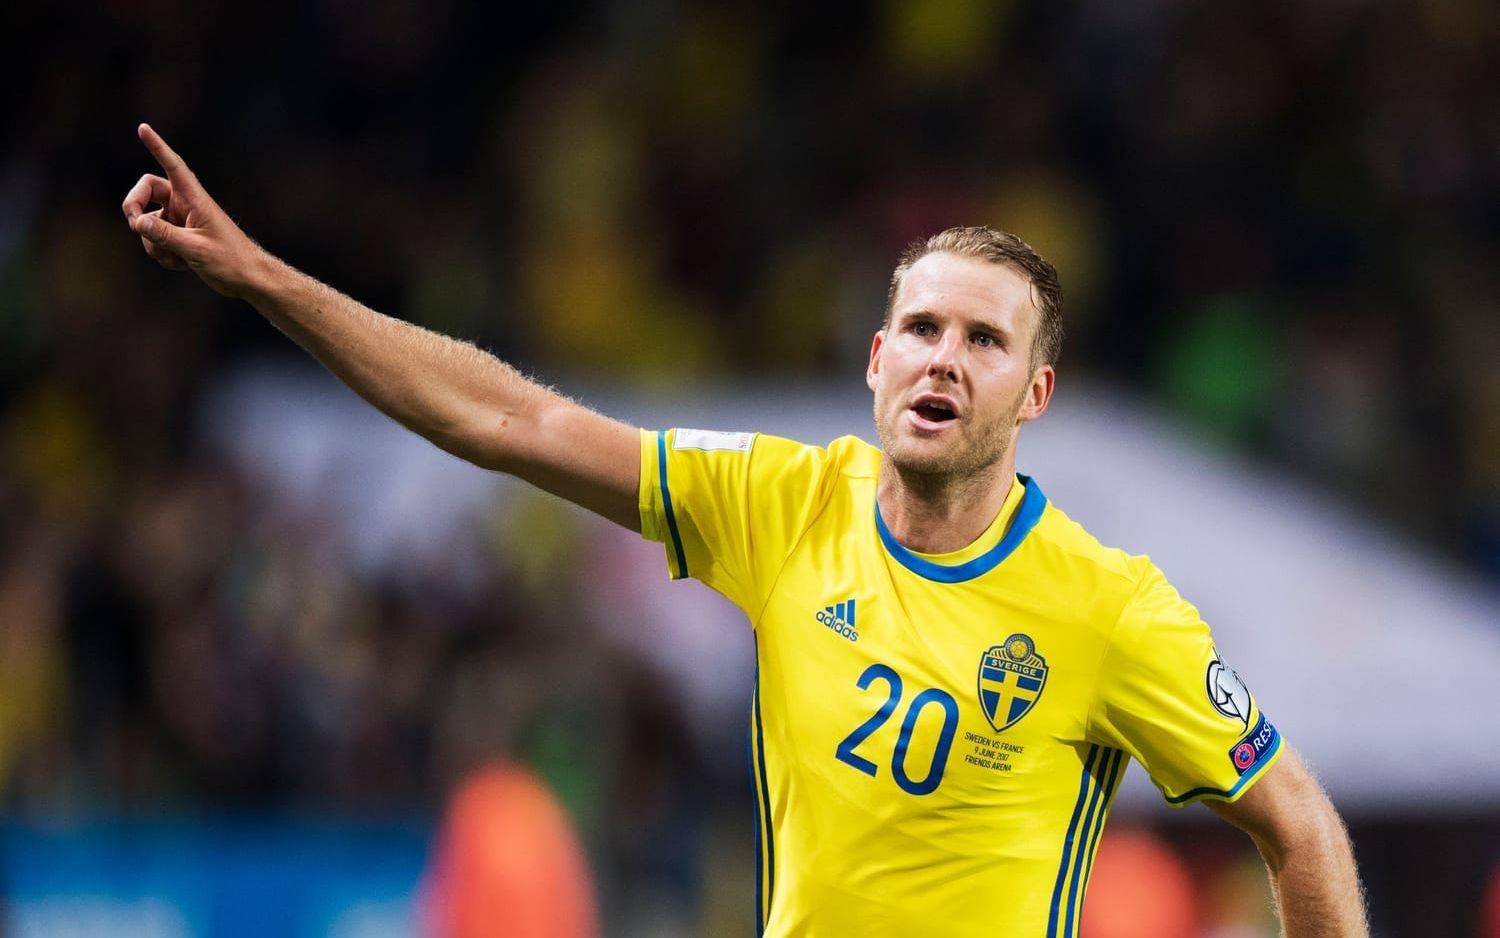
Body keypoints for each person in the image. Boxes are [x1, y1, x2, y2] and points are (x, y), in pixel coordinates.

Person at [122, 122, 1368, 938]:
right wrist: (267, 278)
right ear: (876, 361)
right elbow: (509, 417)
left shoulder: (1109, 605)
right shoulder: (786, 502)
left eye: (986, 339)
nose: (945, 357)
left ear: (1035, 393)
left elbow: (1298, 822)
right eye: (923, 328)